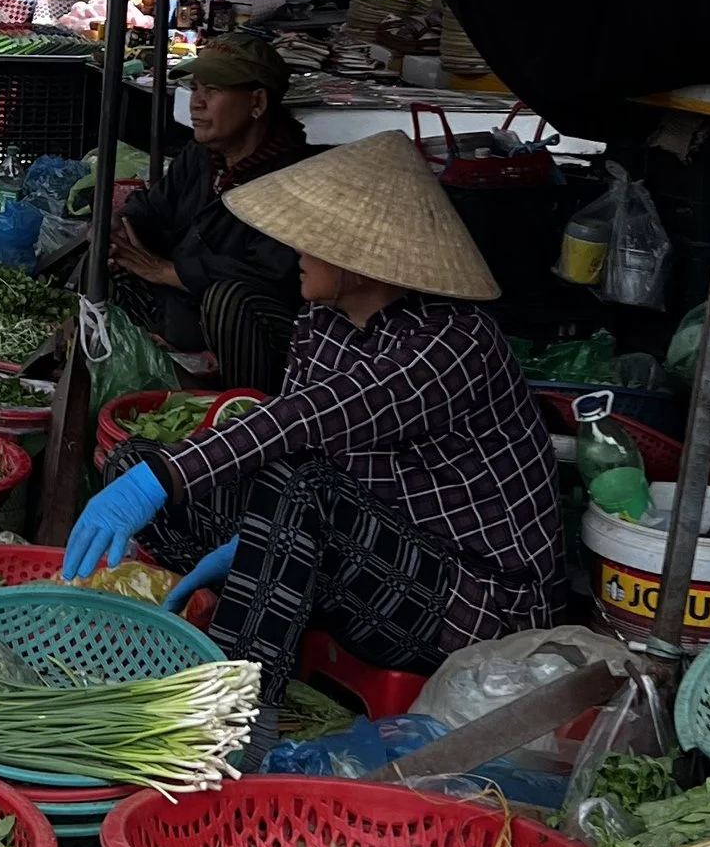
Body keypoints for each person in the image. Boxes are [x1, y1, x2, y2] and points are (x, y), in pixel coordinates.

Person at [62, 131, 564, 721]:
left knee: (290, 489)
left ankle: (233, 719)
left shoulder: (454, 344)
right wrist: (183, 493)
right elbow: (291, 448)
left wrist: (165, 477)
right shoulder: (321, 321)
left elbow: (309, 419)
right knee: (138, 459)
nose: (292, 249)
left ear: (360, 260)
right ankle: (201, 634)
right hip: (361, 555)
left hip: (471, 603)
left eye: (312, 240)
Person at [109, 32, 310, 388]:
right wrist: (119, 226)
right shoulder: (203, 155)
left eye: (212, 91)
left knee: (229, 299)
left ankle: (239, 418)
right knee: (108, 260)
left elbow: (273, 274)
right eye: (196, 88)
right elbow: (153, 208)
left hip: (251, 334)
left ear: (257, 103)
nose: (196, 103)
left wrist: (171, 272)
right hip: (183, 312)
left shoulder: (293, 177)